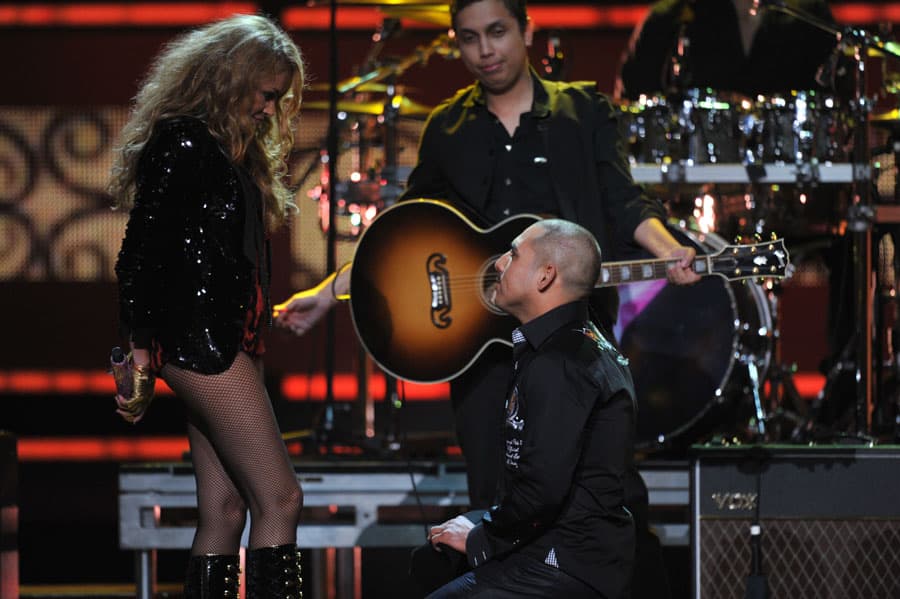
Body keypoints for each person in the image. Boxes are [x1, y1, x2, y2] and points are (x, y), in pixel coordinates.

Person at [275, 0, 698, 595]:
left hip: (573, 344)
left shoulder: (582, 111)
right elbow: (403, 235)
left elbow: (625, 202)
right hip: (479, 349)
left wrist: (670, 249)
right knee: (498, 496)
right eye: (469, 39)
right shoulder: (450, 126)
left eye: (497, 33)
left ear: (527, 29)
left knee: (609, 495)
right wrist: (329, 291)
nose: (485, 51)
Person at [110, 14, 305, 598]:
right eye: (266, 94)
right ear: (230, 78)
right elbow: (138, 255)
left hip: (227, 336)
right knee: (281, 498)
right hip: (200, 342)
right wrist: (139, 350)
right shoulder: (185, 142)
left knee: (224, 509)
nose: (270, 109)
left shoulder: (224, 148)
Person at [424, 219, 637, 598]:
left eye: (513, 254)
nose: (499, 264)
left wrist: (480, 538)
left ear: (545, 277)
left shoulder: (563, 362)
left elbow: (543, 489)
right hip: (555, 547)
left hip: (560, 561)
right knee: (426, 560)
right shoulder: (569, 346)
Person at [616, 0, 839, 101]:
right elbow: (628, 110)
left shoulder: (811, 16)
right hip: (688, 190)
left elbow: (840, 112)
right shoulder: (666, 19)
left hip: (792, 188)